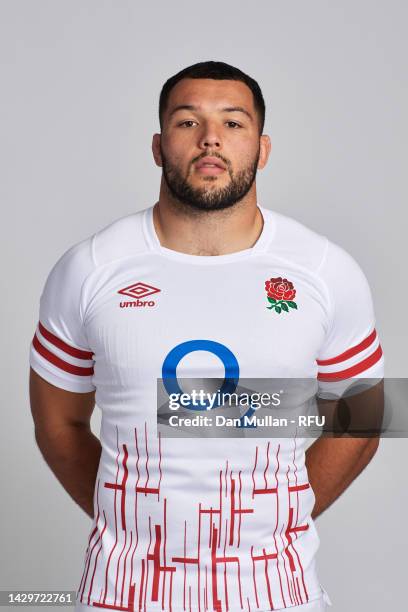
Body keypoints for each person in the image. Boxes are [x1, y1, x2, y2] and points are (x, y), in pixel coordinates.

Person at [29, 61, 384, 612]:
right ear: (157, 145)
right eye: (188, 121)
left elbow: (363, 417)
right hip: (120, 595)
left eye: (233, 123)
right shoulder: (90, 268)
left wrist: (275, 518)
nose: (211, 138)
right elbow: (58, 422)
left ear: (263, 149)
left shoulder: (323, 271)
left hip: (277, 595)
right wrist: (129, 521)